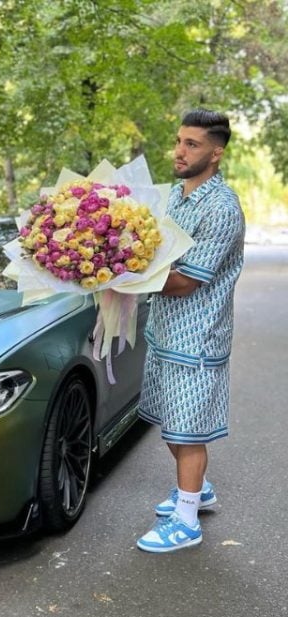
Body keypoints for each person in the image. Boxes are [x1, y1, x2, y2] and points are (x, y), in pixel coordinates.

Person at [135, 109, 245, 553]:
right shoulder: (177, 197)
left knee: (187, 432)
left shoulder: (222, 208)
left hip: (197, 336)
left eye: (192, 144)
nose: (180, 151)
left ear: (216, 153)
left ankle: (186, 522)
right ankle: (199, 490)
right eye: (179, 141)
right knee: (171, 425)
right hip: (165, 332)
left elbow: (185, 281)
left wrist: (118, 274)